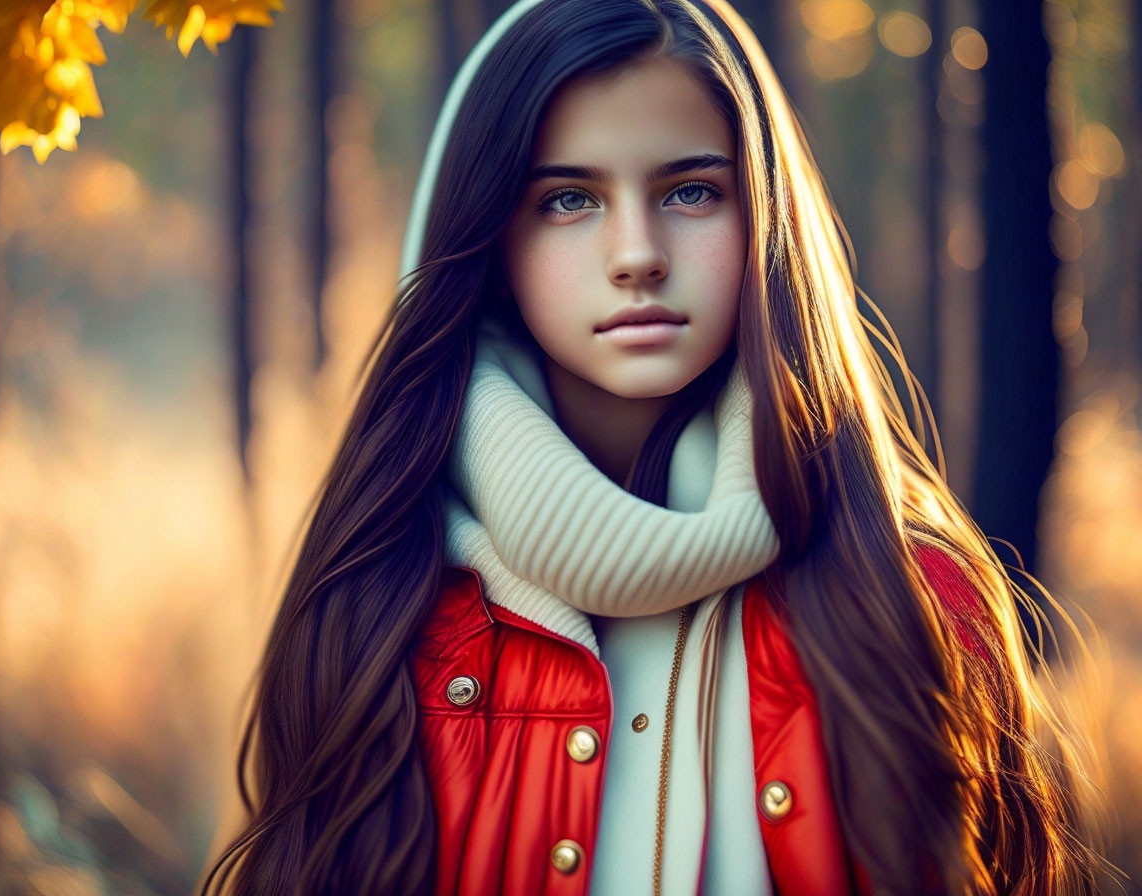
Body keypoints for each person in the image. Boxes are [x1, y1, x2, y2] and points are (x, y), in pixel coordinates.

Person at [200, 1, 1111, 894]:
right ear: (488, 238)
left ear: (763, 222)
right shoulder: (381, 602)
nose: (637, 253)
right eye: (567, 199)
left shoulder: (910, 598)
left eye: (690, 191)